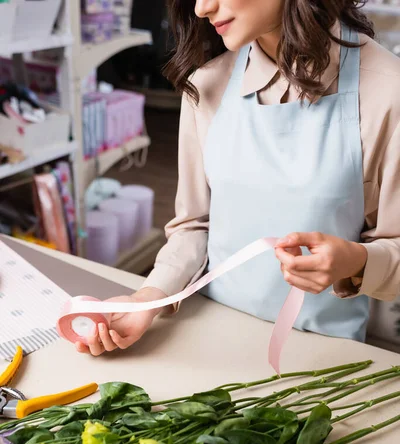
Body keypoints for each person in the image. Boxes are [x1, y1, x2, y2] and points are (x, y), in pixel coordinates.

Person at [76, 0, 400, 357]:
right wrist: (146, 300)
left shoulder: (387, 91)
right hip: (209, 334)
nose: (201, 8)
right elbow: (194, 226)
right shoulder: (207, 83)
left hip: (324, 356)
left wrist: (355, 261)